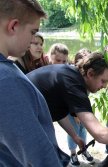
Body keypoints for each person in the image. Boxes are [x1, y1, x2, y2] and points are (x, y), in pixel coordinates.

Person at [0, 0, 69, 166]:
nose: (33, 39)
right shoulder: (7, 79)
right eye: (33, 32)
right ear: (14, 26)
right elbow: (38, 155)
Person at [26, 51, 108, 150]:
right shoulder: (74, 86)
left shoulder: (70, 74)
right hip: (19, 115)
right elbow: (100, 134)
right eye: (103, 81)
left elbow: (58, 111)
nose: (104, 86)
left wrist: (75, 136)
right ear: (90, 73)